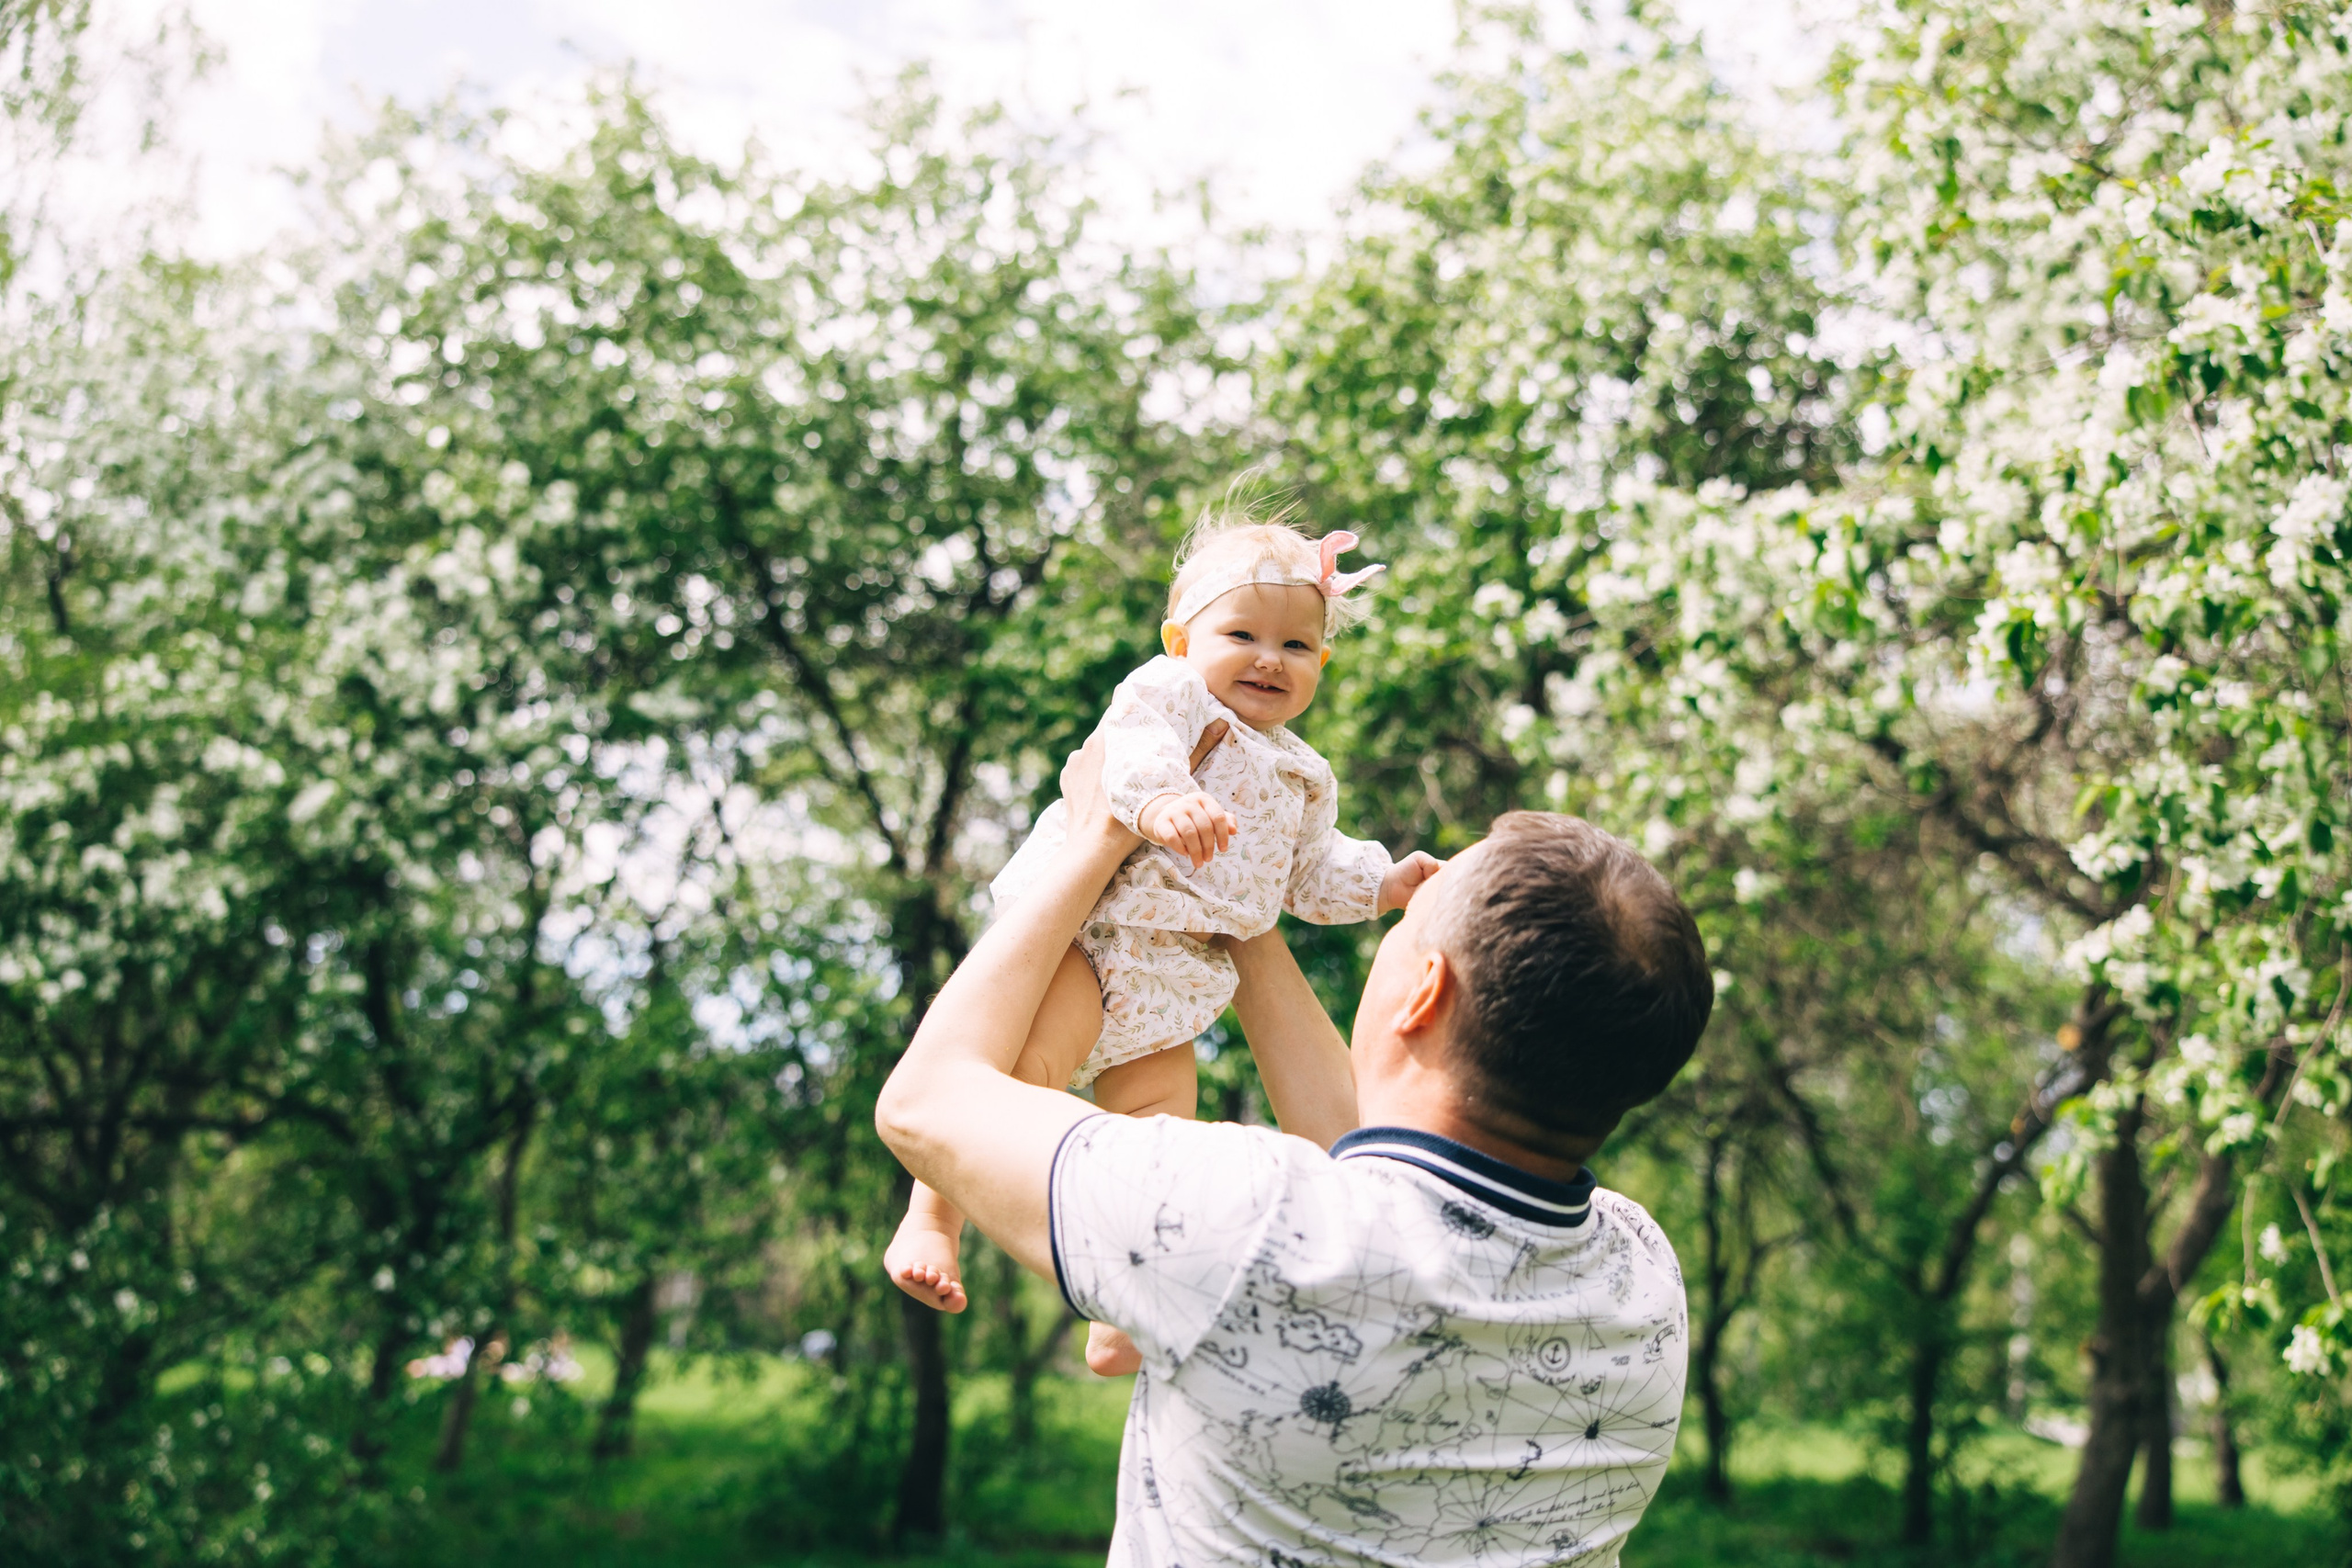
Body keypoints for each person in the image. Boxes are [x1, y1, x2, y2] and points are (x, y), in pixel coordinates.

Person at [876, 728, 1714, 1566]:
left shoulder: (1242, 1219)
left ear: (1424, 990)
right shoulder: (1642, 1276)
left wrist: (1097, 840)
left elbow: (925, 1102)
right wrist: (1235, 899)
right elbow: (1382, 1188)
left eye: (1404, 928)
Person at [884, 507, 1442, 1379]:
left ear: (1321, 665)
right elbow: (1129, 752)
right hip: (1095, 939)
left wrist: (1383, 883)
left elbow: (1312, 873)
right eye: (1243, 633)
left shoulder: (1303, 773)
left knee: (1158, 1134)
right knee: (1019, 1081)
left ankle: (1120, 1308)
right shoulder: (1169, 694)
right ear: (1181, 639)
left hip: (1177, 982)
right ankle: (932, 1217)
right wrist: (1157, 804)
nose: (1270, 658)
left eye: (1298, 647)